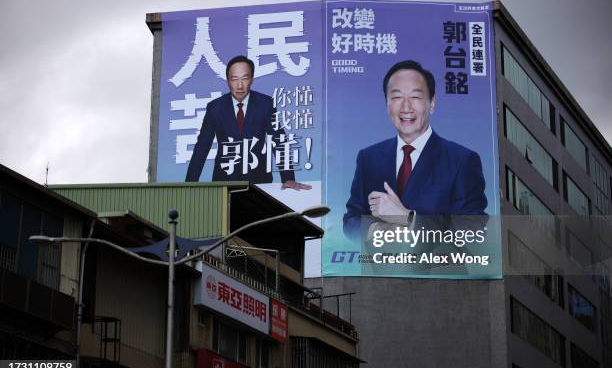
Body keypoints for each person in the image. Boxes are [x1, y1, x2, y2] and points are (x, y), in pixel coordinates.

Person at [343, 60, 487, 241]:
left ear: (432, 104)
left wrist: (407, 218)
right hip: (381, 267)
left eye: (416, 97)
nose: (406, 107)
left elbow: (472, 230)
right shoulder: (369, 158)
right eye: (396, 97)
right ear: (387, 104)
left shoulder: (462, 160)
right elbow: (351, 221)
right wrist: (376, 229)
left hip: (440, 268)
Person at [185, 55, 310, 190]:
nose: (239, 85)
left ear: (252, 80)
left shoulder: (265, 104)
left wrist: (288, 178)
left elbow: (279, 141)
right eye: (234, 79)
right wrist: (190, 184)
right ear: (227, 81)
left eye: (245, 78)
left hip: (259, 182)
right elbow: (202, 147)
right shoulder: (215, 107)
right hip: (224, 182)